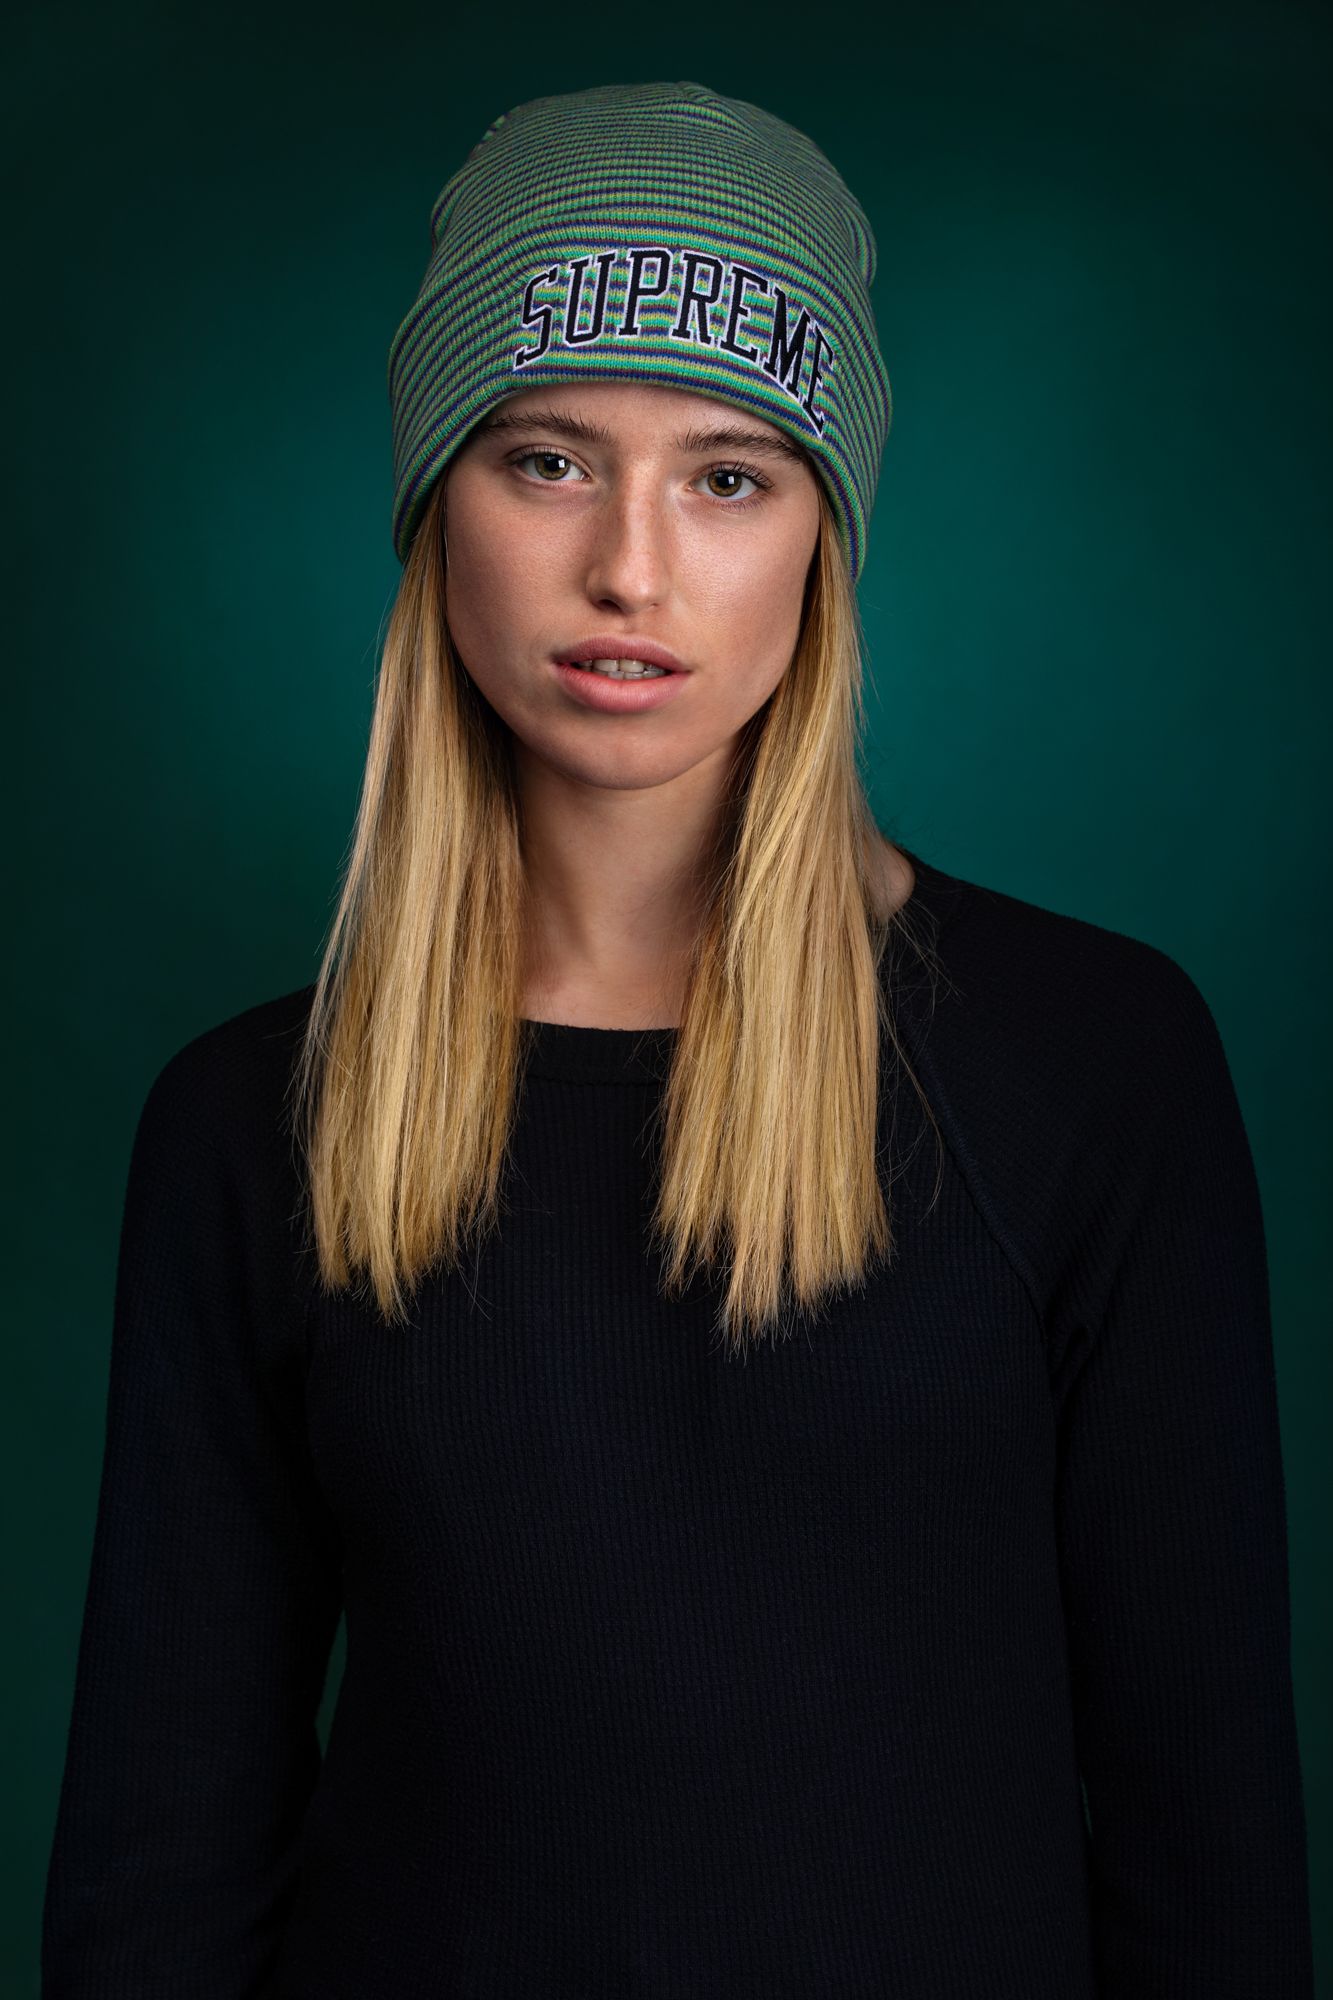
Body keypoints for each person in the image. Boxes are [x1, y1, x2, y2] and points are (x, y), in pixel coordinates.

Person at [41, 80, 1313, 1998]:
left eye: (728, 476)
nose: (628, 567)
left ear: (823, 537)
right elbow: (159, 1863)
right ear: (434, 508)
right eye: (547, 459)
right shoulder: (250, 1122)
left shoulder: (1095, 1067)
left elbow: (1203, 1849)